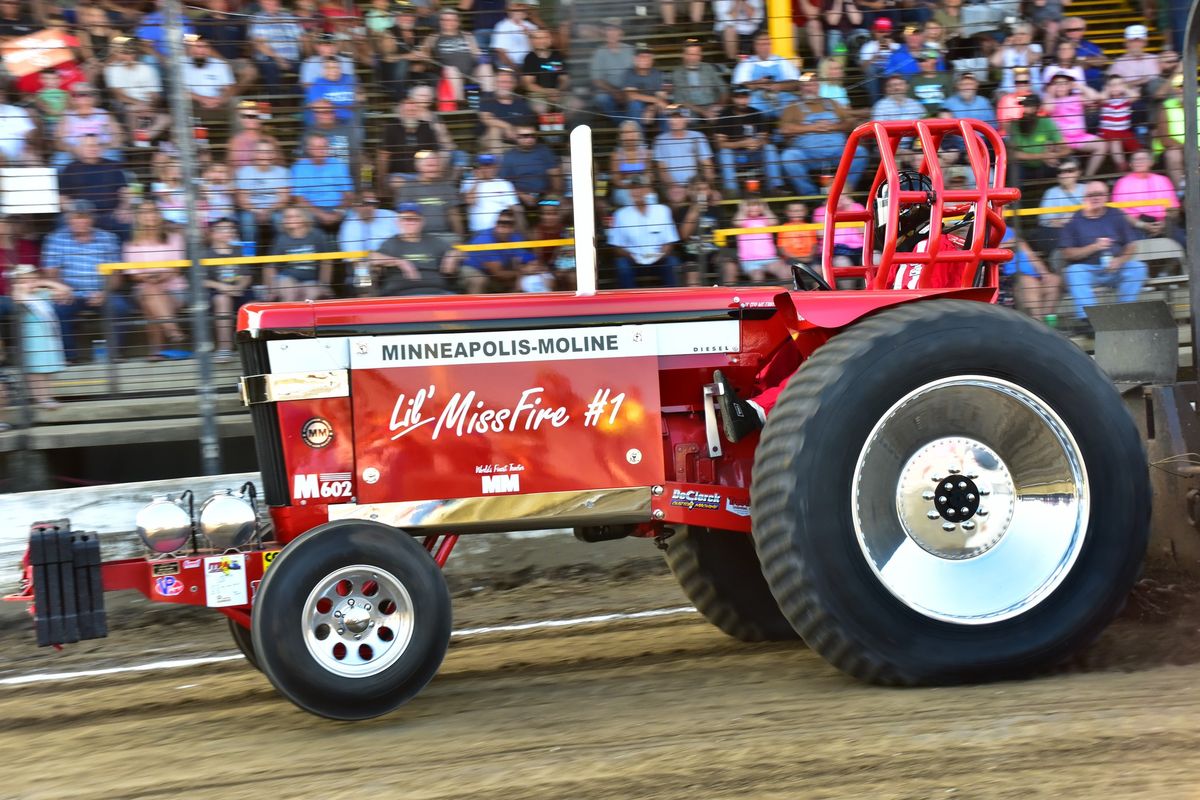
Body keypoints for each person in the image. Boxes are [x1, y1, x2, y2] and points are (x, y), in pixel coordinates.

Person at [1059, 181, 1148, 332]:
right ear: (1084, 197)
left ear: (1106, 196)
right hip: (1089, 270)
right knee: (1073, 272)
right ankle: (1089, 321)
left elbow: (1132, 245)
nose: (1096, 197)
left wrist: (1120, 260)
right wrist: (1094, 247)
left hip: (1115, 268)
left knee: (1138, 267)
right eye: (1091, 194)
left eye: (1099, 194)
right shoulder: (1074, 220)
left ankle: (1124, 315)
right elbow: (1066, 253)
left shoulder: (1116, 214)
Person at [780, 73, 866, 196]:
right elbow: (784, 129)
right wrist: (813, 127)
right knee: (788, 157)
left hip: (838, 153)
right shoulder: (792, 106)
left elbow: (851, 122)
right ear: (800, 88)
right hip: (808, 155)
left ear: (818, 86)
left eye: (813, 84)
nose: (809, 88)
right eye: (806, 85)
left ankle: (844, 192)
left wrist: (833, 126)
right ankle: (811, 195)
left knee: (860, 152)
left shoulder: (832, 103)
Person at [123, 202, 188, 361]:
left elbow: (176, 268)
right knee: (150, 290)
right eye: (145, 212)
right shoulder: (131, 244)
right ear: (138, 217)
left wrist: (155, 277)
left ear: (159, 215)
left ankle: (157, 351)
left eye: (153, 211)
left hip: (175, 289)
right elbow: (133, 275)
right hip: (145, 288)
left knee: (150, 302)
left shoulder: (175, 238)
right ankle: (172, 330)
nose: (149, 215)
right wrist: (154, 277)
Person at [10, 264, 71, 409]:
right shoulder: (20, 296)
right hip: (32, 339)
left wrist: (43, 283)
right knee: (36, 370)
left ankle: (47, 396)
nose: (29, 283)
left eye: (31, 279)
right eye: (23, 280)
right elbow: (17, 297)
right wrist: (22, 288)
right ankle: (41, 398)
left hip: (47, 338)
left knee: (46, 369)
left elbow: (65, 290)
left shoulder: (41, 294)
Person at [607, 175, 680, 289]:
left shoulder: (662, 210)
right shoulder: (620, 214)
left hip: (659, 259)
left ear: (648, 190)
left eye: (640, 188)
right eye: (633, 189)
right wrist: (631, 255)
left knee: (672, 262)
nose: (636, 192)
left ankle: (672, 301)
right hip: (633, 261)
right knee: (622, 266)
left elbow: (669, 242)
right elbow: (616, 246)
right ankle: (629, 303)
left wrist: (660, 255)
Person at [369, 202, 457, 295]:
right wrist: (400, 262)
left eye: (414, 219)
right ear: (397, 222)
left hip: (437, 294)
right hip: (401, 296)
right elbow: (372, 257)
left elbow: (458, 252)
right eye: (405, 219)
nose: (410, 223)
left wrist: (453, 255)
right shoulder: (391, 243)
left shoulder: (434, 241)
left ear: (422, 222)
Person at [714, 86, 784, 196]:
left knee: (770, 148)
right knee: (724, 152)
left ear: (749, 98)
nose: (742, 101)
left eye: (745, 97)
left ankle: (775, 187)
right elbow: (720, 144)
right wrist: (742, 143)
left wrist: (757, 143)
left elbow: (764, 139)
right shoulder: (724, 115)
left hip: (753, 154)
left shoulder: (757, 114)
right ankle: (731, 190)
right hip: (734, 156)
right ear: (732, 98)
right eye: (738, 98)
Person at [200, 217, 251, 361]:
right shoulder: (206, 253)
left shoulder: (239, 250)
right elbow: (202, 280)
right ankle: (225, 348)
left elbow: (247, 276)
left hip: (240, 290)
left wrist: (239, 287)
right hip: (217, 293)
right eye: (223, 229)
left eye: (231, 228)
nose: (228, 231)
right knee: (222, 299)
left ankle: (252, 347)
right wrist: (224, 287)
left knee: (255, 304)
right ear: (212, 233)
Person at [1111, 150, 1181, 245]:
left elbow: (1174, 208)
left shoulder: (1163, 180)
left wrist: (1164, 224)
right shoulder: (1122, 182)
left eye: (1143, 159)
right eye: (1136, 160)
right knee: (1134, 247)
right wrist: (1142, 225)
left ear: (1151, 162)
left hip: (1163, 222)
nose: (1139, 162)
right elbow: (1119, 212)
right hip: (1135, 224)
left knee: (1184, 241)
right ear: (1131, 164)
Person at [460, 209, 538, 293]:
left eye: (508, 224)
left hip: (493, 270)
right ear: (495, 224)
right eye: (500, 223)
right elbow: (499, 274)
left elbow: (519, 261)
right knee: (479, 280)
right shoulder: (485, 240)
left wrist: (529, 266)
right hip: (471, 267)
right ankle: (475, 305)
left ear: (513, 227)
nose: (502, 227)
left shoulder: (515, 236)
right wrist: (522, 271)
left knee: (528, 277)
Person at [394, 150, 463, 244]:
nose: (434, 168)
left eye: (436, 165)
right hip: (417, 236)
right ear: (418, 167)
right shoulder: (408, 188)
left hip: (443, 236)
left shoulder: (447, 188)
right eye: (430, 165)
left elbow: (454, 217)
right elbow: (403, 216)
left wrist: (460, 240)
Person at [1042, 73, 1105, 176]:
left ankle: (1088, 176)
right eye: (1056, 84)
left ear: (1069, 85)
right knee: (1057, 155)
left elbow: (1095, 97)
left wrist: (1079, 86)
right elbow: (1048, 109)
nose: (1060, 86)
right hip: (1061, 140)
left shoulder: (1077, 97)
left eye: (1064, 84)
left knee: (1102, 145)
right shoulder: (1051, 100)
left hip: (1080, 137)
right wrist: (1051, 93)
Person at [267, 206, 333, 301]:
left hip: (310, 279)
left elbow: (326, 261)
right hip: (288, 277)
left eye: (295, 216)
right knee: (289, 291)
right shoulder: (281, 238)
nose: (290, 219)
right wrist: (272, 289)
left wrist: (325, 285)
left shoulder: (317, 235)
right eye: (287, 217)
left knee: (311, 295)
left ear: (304, 218)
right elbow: (271, 266)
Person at [731, 31, 801, 118]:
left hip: (781, 98)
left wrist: (779, 86)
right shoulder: (746, 63)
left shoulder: (782, 61)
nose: (765, 47)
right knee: (748, 103)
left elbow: (797, 83)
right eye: (761, 44)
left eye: (768, 44)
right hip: (758, 100)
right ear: (755, 46)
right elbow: (738, 87)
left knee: (795, 103)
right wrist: (758, 84)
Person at [290, 132, 354, 229]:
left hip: (338, 207)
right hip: (312, 210)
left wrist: (338, 212)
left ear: (329, 148)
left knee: (354, 216)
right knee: (301, 218)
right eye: (316, 147)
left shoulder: (338, 164)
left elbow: (348, 194)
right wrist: (321, 215)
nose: (321, 150)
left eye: (324, 146)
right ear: (309, 149)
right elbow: (299, 199)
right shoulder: (299, 167)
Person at [499, 126, 562, 209]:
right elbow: (504, 183)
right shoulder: (509, 156)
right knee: (514, 211)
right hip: (518, 199)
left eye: (532, 136)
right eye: (525, 136)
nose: (530, 139)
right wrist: (522, 195)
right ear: (517, 137)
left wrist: (554, 194)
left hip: (544, 197)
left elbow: (555, 174)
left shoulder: (544, 150)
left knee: (559, 206)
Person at [730, 195, 788, 284]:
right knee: (758, 277)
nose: (753, 208)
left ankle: (790, 297)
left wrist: (766, 209)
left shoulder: (765, 220)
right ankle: (761, 298)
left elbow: (774, 222)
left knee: (785, 273)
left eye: (757, 205)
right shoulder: (743, 220)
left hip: (769, 258)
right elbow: (737, 222)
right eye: (749, 205)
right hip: (750, 260)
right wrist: (742, 210)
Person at [1032, 159, 1084, 259]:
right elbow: (1044, 220)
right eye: (1060, 172)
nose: (1064, 175)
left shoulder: (1088, 189)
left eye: (1070, 170)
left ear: (1078, 172)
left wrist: (1069, 219)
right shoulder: (1051, 193)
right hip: (1059, 233)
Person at [653, 107, 715, 189]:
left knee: (712, 196)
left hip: (695, 185)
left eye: (678, 117)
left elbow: (707, 165)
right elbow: (662, 169)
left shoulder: (698, 136)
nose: (674, 121)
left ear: (687, 119)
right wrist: (673, 186)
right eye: (671, 117)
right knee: (678, 196)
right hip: (673, 186)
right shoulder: (660, 140)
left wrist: (709, 186)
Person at [477, 68, 536, 153]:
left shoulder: (520, 102)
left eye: (508, 82)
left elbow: (527, 125)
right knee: (495, 129)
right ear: (495, 84)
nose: (504, 85)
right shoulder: (488, 97)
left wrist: (515, 130)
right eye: (501, 82)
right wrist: (507, 126)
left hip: (513, 141)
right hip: (487, 140)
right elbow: (486, 118)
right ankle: (500, 163)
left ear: (514, 84)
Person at [669, 38, 727, 123]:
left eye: (696, 54)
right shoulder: (677, 73)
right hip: (689, 107)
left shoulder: (708, 68)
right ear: (684, 55)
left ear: (700, 55)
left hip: (710, 105)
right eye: (690, 54)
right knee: (686, 119)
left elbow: (724, 89)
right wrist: (704, 112)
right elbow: (682, 101)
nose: (693, 58)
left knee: (723, 116)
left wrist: (719, 105)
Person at [462, 153, 521, 233]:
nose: (487, 169)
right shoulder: (469, 182)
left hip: (502, 231)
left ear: (496, 167)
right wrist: (477, 181)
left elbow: (515, 209)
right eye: (484, 165)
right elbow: (470, 201)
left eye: (490, 165)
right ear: (479, 167)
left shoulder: (505, 184)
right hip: (479, 231)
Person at [589, 20, 635, 120]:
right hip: (609, 90)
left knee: (635, 100)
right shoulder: (599, 52)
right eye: (609, 30)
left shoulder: (630, 49)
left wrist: (626, 91)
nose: (612, 33)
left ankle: (631, 126)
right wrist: (614, 91)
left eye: (615, 30)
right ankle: (623, 124)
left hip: (629, 89)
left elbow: (637, 73)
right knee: (601, 98)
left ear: (621, 33)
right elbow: (596, 80)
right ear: (604, 33)